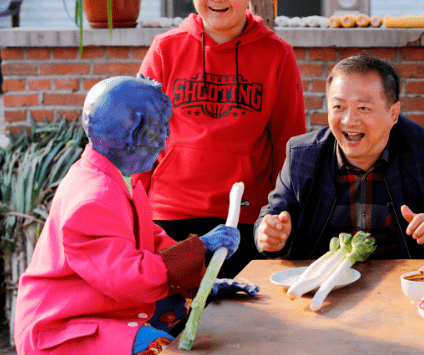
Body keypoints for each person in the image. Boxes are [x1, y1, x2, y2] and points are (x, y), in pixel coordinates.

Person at [14, 75, 258, 355]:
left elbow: (150, 240)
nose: (166, 140)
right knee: (160, 347)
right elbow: (130, 280)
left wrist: (202, 282)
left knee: (186, 309)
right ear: (131, 135)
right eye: (159, 129)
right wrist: (200, 247)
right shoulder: (94, 198)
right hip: (61, 328)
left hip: (95, 306)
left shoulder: (116, 177)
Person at [134, 0, 306, 278]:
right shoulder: (165, 50)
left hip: (242, 219)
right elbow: (138, 142)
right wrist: (133, 217)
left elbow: (289, 147)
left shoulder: (277, 55)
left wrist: (279, 217)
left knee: (234, 326)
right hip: (167, 216)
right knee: (172, 324)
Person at [255, 54, 424, 260]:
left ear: (393, 113)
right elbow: (271, 219)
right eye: (338, 107)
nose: (349, 121)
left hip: (402, 293)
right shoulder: (303, 155)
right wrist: (270, 236)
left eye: (363, 108)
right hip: (322, 291)